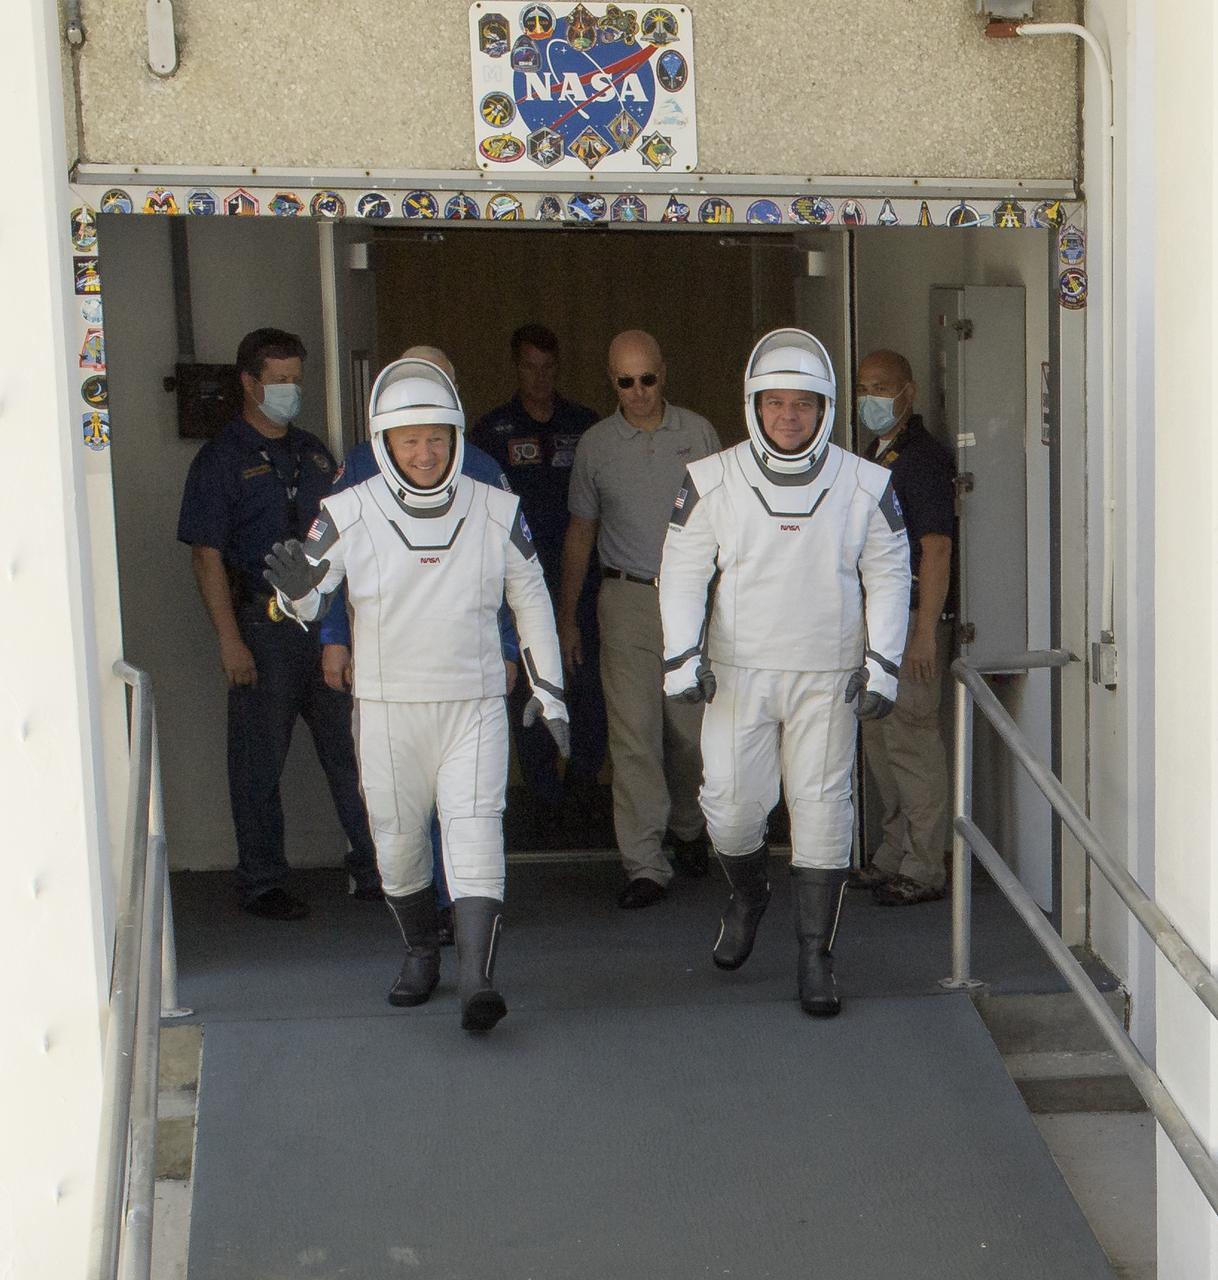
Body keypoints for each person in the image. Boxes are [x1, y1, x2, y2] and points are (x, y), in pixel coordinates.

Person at [263, 355, 567, 1031]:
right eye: (409, 441)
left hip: (474, 703)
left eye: (435, 438)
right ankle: (421, 951)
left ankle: (477, 979)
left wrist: (550, 691)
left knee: (476, 832)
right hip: (387, 707)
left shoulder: (497, 507)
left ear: (455, 435)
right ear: (384, 443)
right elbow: (310, 599)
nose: (425, 453)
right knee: (398, 845)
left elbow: (532, 598)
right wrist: (295, 593)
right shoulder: (346, 510)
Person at [658, 328, 910, 1016]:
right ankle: (748, 894)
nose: (789, 416)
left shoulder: (866, 483)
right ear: (754, 405)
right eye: (775, 402)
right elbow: (681, 573)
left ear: (825, 407)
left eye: (803, 403)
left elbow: (890, 574)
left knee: (824, 813)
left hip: (828, 675)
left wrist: (883, 665)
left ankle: (814, 956)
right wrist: (682, 658)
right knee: (729, 808)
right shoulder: (710, 480)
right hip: (737, 674)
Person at [319, 346, 520, 943]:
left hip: (464, 670)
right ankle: (421, 927)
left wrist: (509, 648)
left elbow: (511, 575)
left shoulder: (481, 467)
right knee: (399, 813)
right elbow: (330, 567)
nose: (424, 451)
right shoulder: (361, 466)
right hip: (391, 673)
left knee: (466, 809)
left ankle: (462, 911)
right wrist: (334, 637)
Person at [177, 327, 379, 921]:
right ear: (249, 382)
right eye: (279, 380)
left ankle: (375, 868)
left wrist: (347, 630)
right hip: (262, 627)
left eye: (296, 379)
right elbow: (206, 556)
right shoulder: (221, 458)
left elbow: (348, 541)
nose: (291, 390)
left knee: (353, 750)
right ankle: (263, 882)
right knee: (258, 761)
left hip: (325, 624)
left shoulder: (313, 453)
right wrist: (229, 641)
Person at [559, 330, 720, 907]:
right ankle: (645, 864)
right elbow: (581, 533)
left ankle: (689, 827)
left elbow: (728, 522)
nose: (638, 392)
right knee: (634, 737)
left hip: (692, 599)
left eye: (647, 379)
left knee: (690, 732)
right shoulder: (596, 445)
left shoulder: (698, 433)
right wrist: (566, 617)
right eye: (625, 382)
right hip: (625, 598)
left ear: (663, 373)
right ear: (612, 381)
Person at [471, 325, 605, 842]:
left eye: (548, 367)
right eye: (530, 367)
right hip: (517, 581)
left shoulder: (584, 425)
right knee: (529, 688)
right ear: (516, 368)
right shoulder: (492, 431)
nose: (540, 377)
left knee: (586, 687)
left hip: (581, 578)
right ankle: (543, 799)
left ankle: (583, 790)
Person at [851, 349, 956, 906]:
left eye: (881, 387)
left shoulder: (923, 459)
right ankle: (894, 851)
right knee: (881, 740)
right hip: (876, 619)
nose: (870, 398)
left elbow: (936, 548)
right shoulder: (874, 455)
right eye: (863, 387)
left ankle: (924, 865)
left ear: (908, 393)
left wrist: (924, 634)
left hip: (912, 618)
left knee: (912, 741)